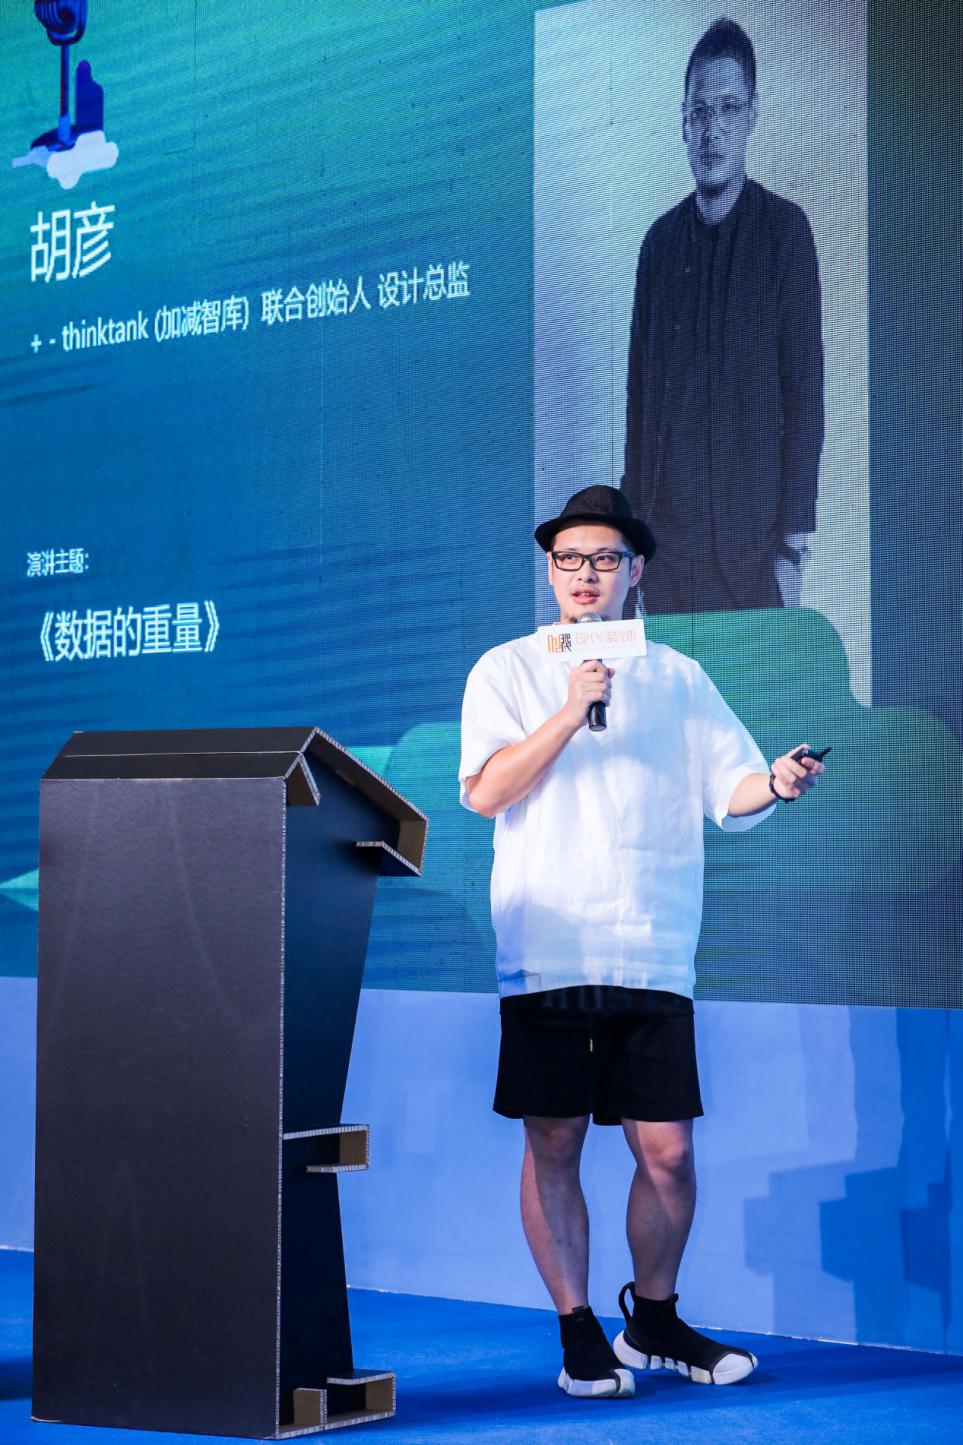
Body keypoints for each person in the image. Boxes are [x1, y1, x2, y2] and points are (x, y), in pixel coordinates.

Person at [459, 485, 825, 1400]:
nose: (585, 575)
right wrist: (569, 708)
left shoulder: (678, 677)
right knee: (555, 1140)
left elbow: (730, 790)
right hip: (548, 942)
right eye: (569, 559)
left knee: (667, 1151)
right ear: (550, 570)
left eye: (604, 559)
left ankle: (652, 1320)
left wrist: (775, 783)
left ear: (636, 571)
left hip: (652, 944)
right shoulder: (506, 668)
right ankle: (578, 1329)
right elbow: (485, 791)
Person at [621, 18, 823, 616]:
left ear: (752, 115)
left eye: (729, 109)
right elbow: (639, 407)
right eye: (699, 112)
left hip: (758, 554)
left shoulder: (786, 233)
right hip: (670, 556)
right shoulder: (660, 245)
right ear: (683, 122)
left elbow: (805, 396)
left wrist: (793, 544)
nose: (712, 130)